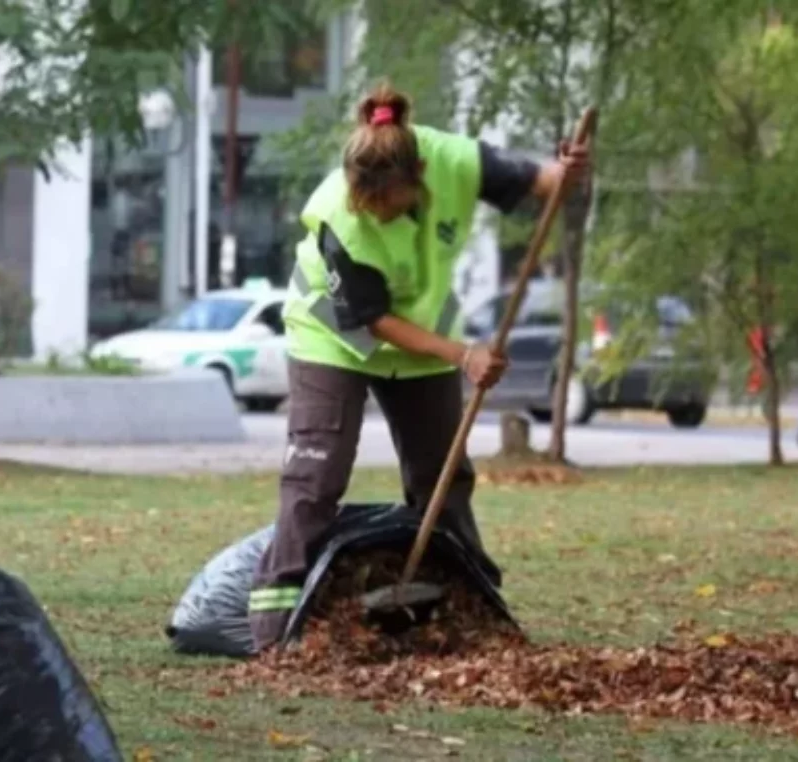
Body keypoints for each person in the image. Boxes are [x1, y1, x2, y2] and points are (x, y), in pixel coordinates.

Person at [247, 83, 590, 652]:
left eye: (388, 202)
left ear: (420, 174)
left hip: (424, 332)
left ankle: (474, 613)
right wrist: (464, 355)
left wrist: (566, 172)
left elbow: (540, 184)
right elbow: (374, 320)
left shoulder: (453, 160)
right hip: (332, 337)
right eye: (367, 202)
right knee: (317, 476)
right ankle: (275, 633)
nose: (374, 212)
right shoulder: (341, 215)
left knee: (444, 477)